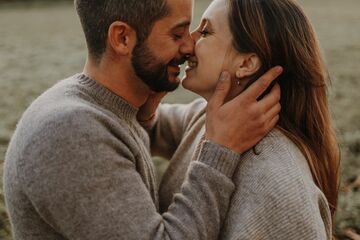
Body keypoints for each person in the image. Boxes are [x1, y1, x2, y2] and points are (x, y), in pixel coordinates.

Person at [3, 0, 282, 239]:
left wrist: (146, 114)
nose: (189, 46)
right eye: (177, 34)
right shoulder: (70, 133)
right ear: (122, 38)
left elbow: (175, 123)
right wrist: (221, 151)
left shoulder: (106, 108)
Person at [139, 0, 340, 239]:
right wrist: (146, 98)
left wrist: (219, 151)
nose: (189, 43)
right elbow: (150, 126)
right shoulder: (208, 117)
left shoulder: (276, 185)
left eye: (205, 32)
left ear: (246, 63)